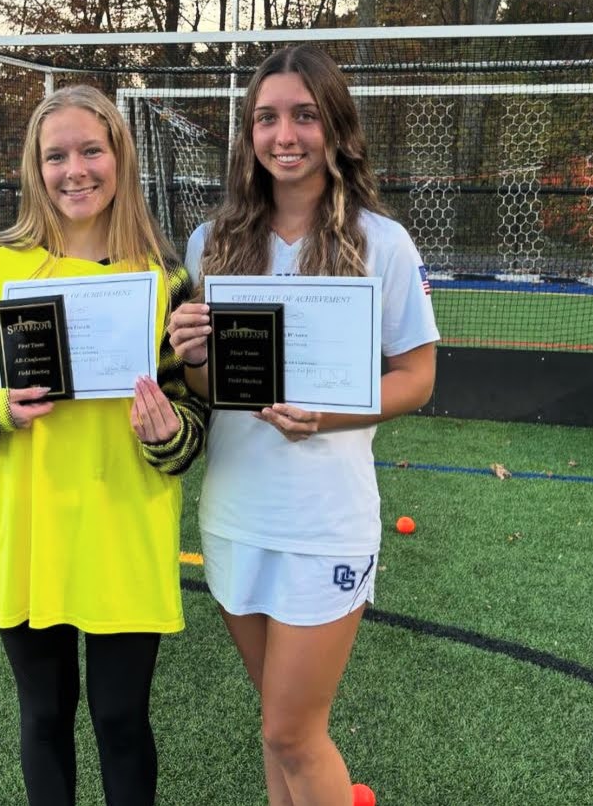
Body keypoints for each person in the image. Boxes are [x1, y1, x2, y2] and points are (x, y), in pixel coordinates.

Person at [0, 84, 209, 806]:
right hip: (30, 525)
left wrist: (168, 434)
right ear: (33, 169)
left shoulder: (163, 276)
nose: (74, 170)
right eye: (55, 156)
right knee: (45, 715)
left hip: (125, 525)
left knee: (120, 718)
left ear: (119, 158)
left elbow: (195, 415)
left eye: (90, 151)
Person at [168, 45, 440, 806]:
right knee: (273, 726)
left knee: (294, 731)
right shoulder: (212, 241)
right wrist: (191, 355)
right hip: (234, 513)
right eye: (265, 118)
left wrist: (327, 414)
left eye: (302, 116)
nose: (283, 134)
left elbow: (418, 379)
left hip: (324, 519)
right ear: (247, 133)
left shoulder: (380, 242)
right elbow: (209, 388)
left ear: (335, 129)